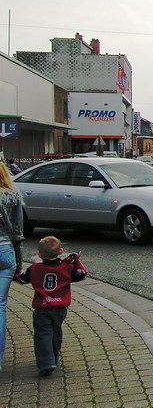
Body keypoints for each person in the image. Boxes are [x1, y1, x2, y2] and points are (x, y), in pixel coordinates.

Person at [14, 236, 88, 377]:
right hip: (60, 308)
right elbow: (82, 275)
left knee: (43, 334)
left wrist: (14, 274)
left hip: (42, 308)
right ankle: (54, 356)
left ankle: (46, 362)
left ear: (39, 255)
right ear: (60, 251)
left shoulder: (35, 268)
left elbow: (22, 279)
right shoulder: (67, 268)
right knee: (56, 332)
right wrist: (76, 262)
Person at [0, 159, 25, 373]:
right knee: (0, 307)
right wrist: (19, 264)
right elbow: (18, 233)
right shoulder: (12, 194)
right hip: (5, 250)